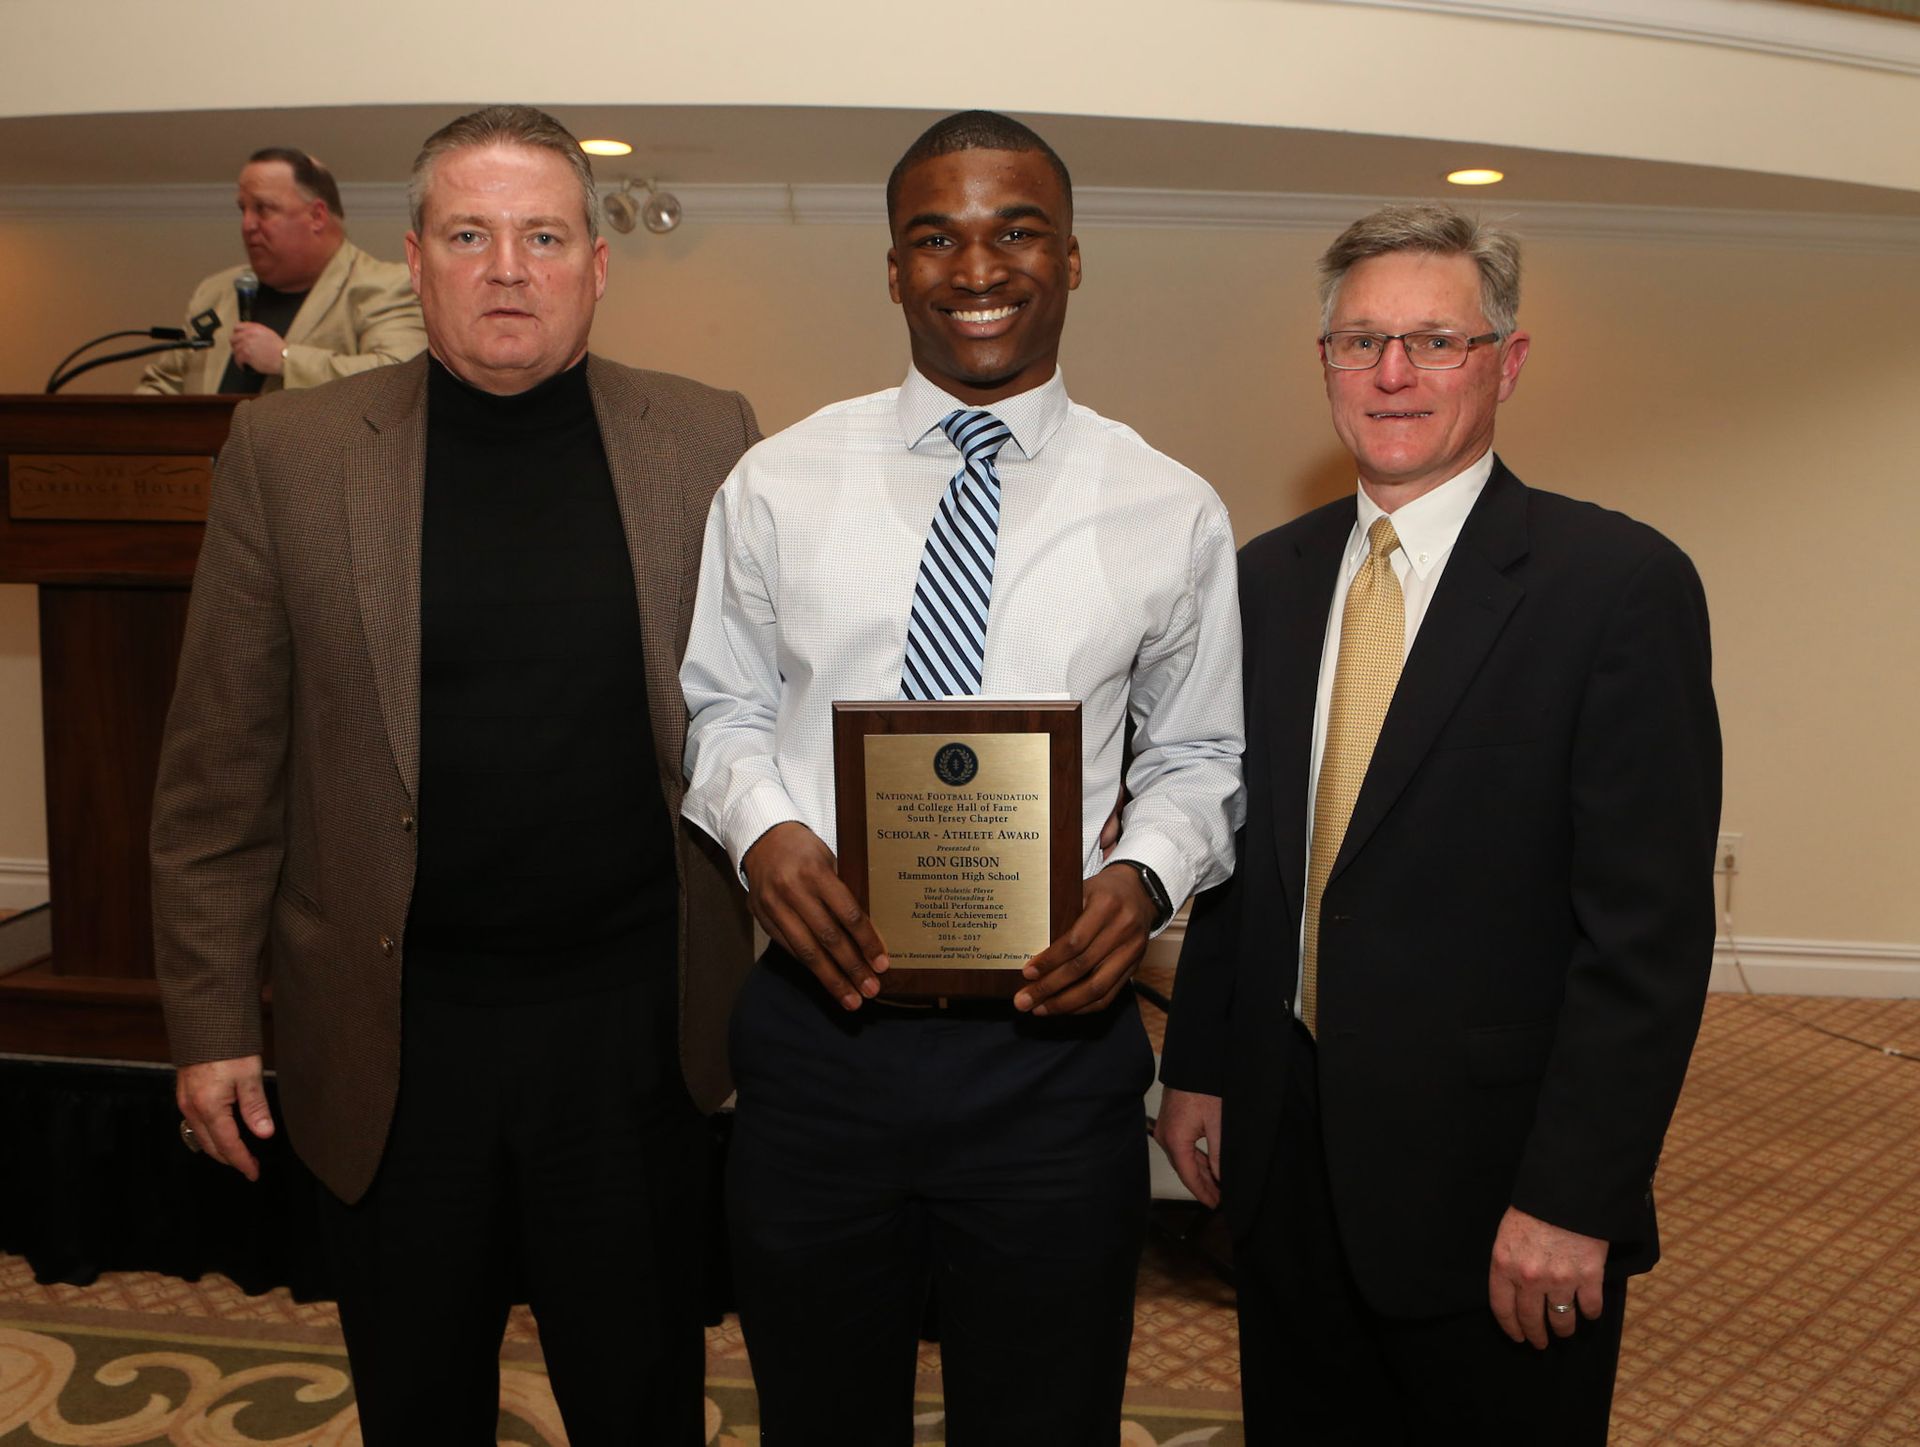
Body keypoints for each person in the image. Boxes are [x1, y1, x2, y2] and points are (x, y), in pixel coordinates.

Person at [152, 105, 759, 1445]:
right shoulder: (290, 457)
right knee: (418, 1401)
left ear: (595, 267)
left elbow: (766, 717)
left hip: (634, 1032)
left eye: (544, 236)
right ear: (414, 261)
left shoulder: (709, 440)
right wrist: (208, 1021)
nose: (506, 268)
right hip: (392, 1034)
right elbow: (217, 774)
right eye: (470, 234)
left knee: (642, 1394)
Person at [679, 111, 1244, 1445]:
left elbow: (1202, 751)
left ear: (1073, 259)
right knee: (819, 1413)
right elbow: (720, 708)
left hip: (1053, 1058)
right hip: (826, 1038)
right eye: (936, 235)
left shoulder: (1170, 505)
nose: (976, 265)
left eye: (1015, 230)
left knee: (1044, 1418)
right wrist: (761, 831)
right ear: (892, 270)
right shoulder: (777, 482)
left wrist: (1146, 870)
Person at [1154, 202, 1721, 1445]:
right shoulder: (1263, 579)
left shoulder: (1617, 589)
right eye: (1360, 342)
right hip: (1285, 1165)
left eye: (1435, 342)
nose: (1393, 374)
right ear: (1324, 366)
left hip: (1499, 1195)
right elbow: (1244, 853)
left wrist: (1576, 1195)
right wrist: (1197, 1062)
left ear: (1507, 362)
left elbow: (1648, 938)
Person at [136, 146, 424, 395]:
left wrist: (286, 359)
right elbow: (164, 384)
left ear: (317, 216)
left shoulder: (386, 286)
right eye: (243, 209)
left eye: (263, 209)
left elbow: (400, 380)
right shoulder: (214, 291)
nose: (247, 225)